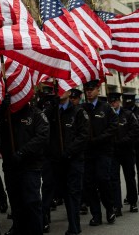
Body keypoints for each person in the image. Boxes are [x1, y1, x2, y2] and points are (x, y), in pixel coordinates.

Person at [0, 95, 49, 235]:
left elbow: (42, 136)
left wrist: (22, 152)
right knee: (16, 202)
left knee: (32, 202)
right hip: (10, 166)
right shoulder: (5, 114)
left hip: (30, 165)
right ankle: (18, 228)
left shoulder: (36, 114)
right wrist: (1, 109)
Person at [42, 88, 89, 235]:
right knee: (50, 190)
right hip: (55, 161)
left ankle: (74, 226)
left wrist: (69, 151)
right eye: (57, 88)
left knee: (72, 193)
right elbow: (43, 132)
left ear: (69, 92)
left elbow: (83, 136)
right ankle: (44, 221)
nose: (60, 91)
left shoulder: (78, 112)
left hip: (73, 160)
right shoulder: (50, 111)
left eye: (63, 89)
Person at [82, 79, 118, 226]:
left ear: (98, 90)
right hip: (88, 152)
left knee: (103, 180)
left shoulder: (106, 108)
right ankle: (96, 215)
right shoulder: (82, 108)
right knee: (89, 184)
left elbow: (113, 127)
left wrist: (99, 139)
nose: (89, 92)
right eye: (87, 90)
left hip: (103, 150)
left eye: (92, 90)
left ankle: (110, 209)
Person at [109, 92, 139, 215]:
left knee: (130, 177)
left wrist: (123, 141)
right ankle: (117, 206)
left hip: (127, 150)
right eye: (111, 102)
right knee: (114, 179)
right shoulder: (108, 115)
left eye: (115, 101)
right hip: (113, 152)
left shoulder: (128, 114)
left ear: (119, 101)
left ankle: (133, 202)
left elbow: (135, 130)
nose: (113, 104)